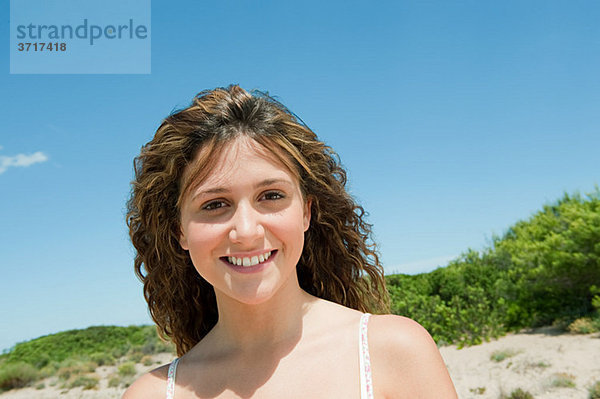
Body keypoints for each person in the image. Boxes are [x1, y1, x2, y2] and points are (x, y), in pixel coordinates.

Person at [123, 85, 457, 399]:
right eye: (214, 204)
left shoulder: (394, 352)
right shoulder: (151, 393)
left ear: (306, 212)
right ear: (178, 229)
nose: (247, 231)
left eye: (270, 196)